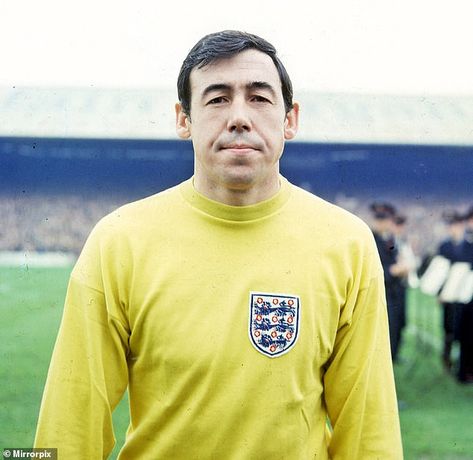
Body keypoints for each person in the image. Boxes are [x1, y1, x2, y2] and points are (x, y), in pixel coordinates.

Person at [35, 30, 402, 459]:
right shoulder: (120, 241)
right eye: (217, 98)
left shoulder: (347, 244)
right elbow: (70, 418)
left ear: (290, 120)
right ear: (183, 119)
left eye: (260, 98)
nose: (240, 117)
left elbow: (368, 430)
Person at [370, 202, 409, 362]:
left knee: (397, 325)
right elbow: (373, 268)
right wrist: (394, 270)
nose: (384, 223)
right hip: (382, 291)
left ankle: (392, 357)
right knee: (386, 328)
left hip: (394, 291)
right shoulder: (372, 238)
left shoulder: (389, 239)